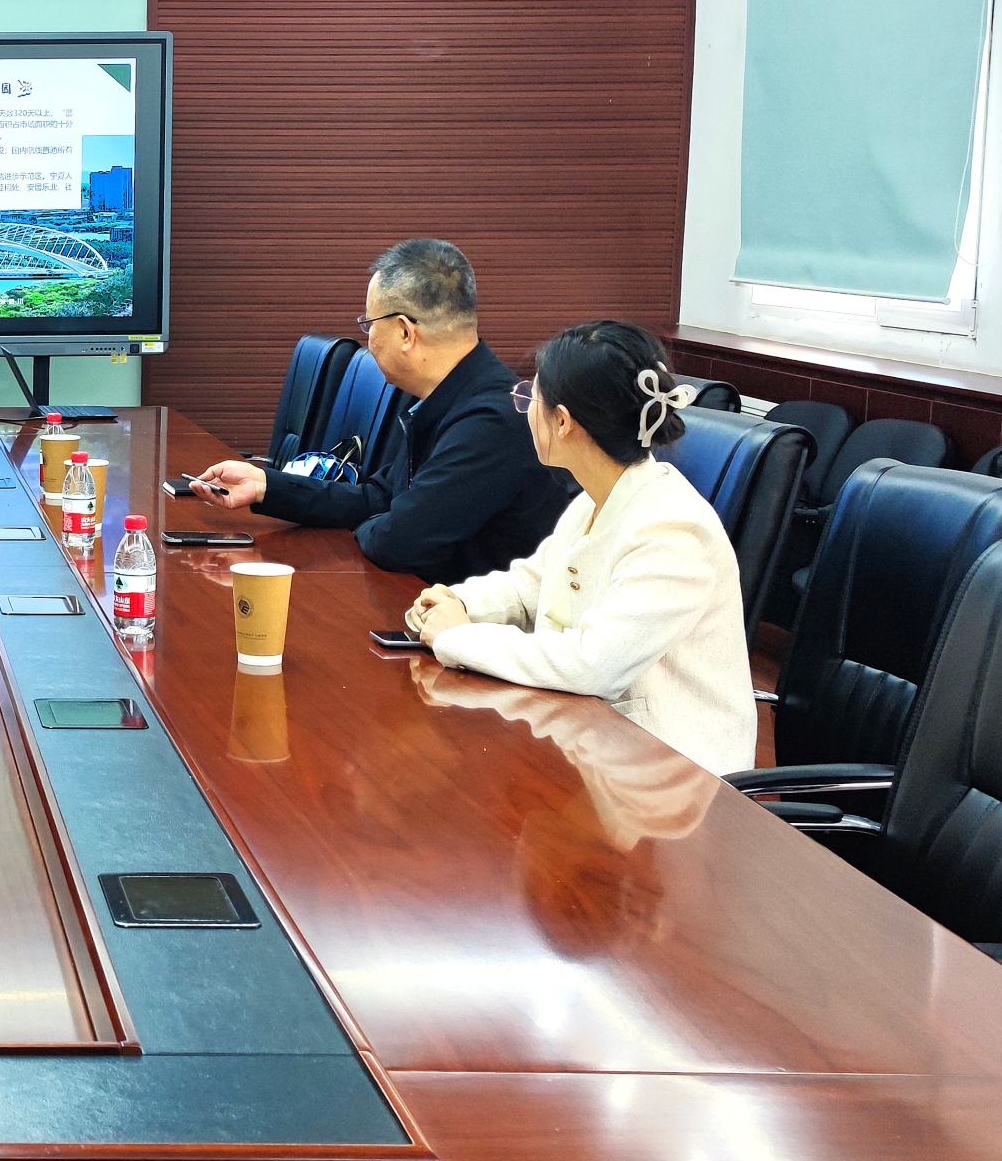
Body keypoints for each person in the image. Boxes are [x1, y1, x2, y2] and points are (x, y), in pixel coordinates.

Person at [404, 320, 755, 773]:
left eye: (531, 399)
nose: (525, 411)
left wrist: (458, 637)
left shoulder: (674, 529)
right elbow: (530, 586)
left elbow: (595, 664)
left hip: (675, 776)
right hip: (594, 742)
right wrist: (459, 603)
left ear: (563, 422)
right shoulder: (595, 498)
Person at [196, 238, 567, 584]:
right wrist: (266, 486)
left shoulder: (491, 421)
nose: (367, 337)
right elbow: (378, 498)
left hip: (474, 624)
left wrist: (378, 521)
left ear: (405, 332)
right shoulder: (450, 395)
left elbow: (400, 542)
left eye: (369, 324)